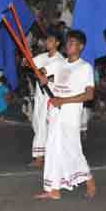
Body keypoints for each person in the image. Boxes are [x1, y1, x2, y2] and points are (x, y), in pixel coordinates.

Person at [35, 30, 96, 200]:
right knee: (53, 148)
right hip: (55, 112)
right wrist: (41, 75)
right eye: (68, 42)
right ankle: (53, 189)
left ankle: (88, 178)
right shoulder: (60, 63)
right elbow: (42, 72)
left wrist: (64, 100)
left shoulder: (85, 67)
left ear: (81, 47)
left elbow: (89, 95)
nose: (69, 46)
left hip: (70, 113)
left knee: (72, 148)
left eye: (73, 43)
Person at [27, 31, 64, 169]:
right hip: (39, 96)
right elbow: (30, 65)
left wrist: (35, 68)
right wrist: (27, 59)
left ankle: (39, 158)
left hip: (50, 97)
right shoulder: (43, 56)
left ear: (57, 43)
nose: (47, 42)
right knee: (37, 123)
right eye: (47, 40)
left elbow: (42, 70)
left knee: (43, 125)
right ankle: (45, 154)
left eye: (51, 40)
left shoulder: (59, 60)